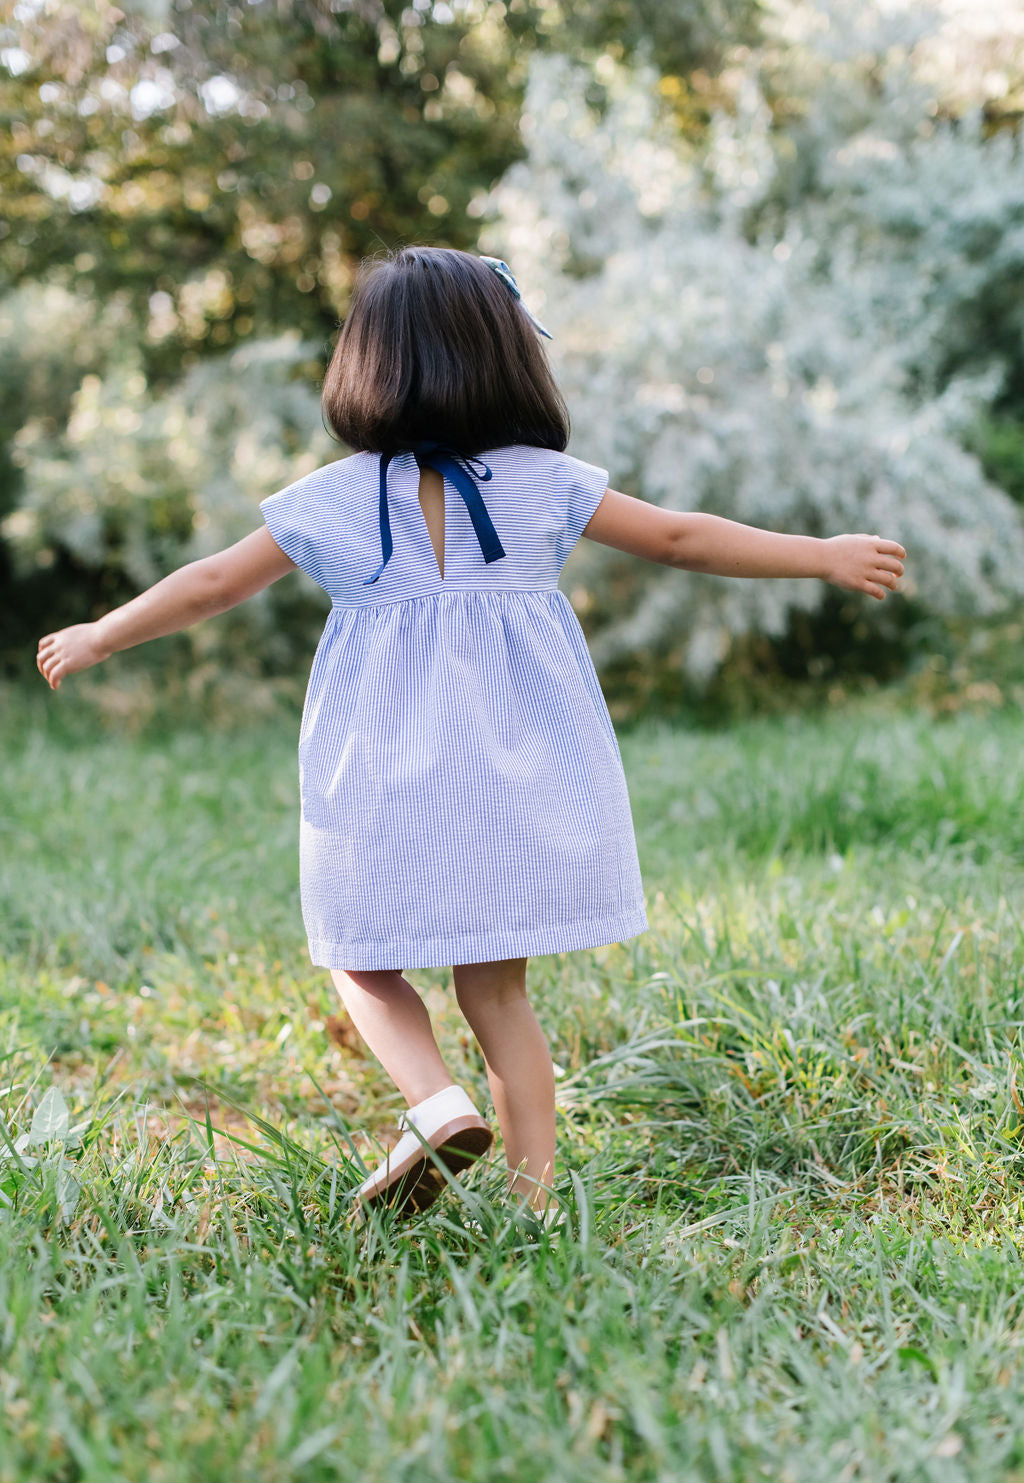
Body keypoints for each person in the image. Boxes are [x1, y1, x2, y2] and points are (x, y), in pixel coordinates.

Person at [35, 245, 907, 1225]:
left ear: (367, 363)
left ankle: (433, 1103)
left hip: (381, 777)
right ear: (503, 357)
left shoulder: (333, 496)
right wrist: (818, 556)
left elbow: (210, 585)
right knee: (497, 997)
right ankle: (531, 1210)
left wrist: (101, 632)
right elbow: (679, 537)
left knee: (360, 959)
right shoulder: (540, 482)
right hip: (514, 774)